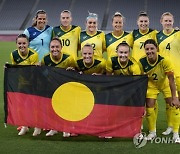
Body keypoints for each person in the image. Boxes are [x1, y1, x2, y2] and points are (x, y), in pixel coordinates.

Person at [138, 39, 180, 143]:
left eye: (152, 48)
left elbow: (171, 79)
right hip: (152, 85)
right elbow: (140, 78)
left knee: (174, 105)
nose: (149, 51)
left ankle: (175, 133)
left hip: (165, 83)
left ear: (157, 48)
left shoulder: (164, 60)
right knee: (150, 106)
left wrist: (175, 97)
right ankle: (152, 132)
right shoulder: (142, 62)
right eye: (147, 49)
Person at [41, 38, 75, 137]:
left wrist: (72, 70)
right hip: (52, 88)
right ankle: (54, 128)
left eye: (57, 47)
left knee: (66, 108)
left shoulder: (69, 58)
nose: (55, 49)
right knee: (52, 108)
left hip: (65, 88)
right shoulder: (45, 59)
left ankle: (66, 128)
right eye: (52, 47)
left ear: (61, 47)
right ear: (49, 48)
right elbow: (41, 71)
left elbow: (75, 72)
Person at [10, 34, 40, 136]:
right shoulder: (13, 54)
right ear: (16, 44)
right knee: (21, 107)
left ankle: (37, 126)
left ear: (28, 44)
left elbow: (32, 72)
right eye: (19, 43)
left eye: (24, 43)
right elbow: (15, 69)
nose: (22, 45)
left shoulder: (33, 55)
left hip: (33, 84)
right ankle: (25, 126)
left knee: (35, 106)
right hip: (21, 84)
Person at [156, 12, 180, 136]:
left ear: (173, 21)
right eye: (166, 20)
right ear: (161, 21)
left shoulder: (178, 34)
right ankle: (171, 126)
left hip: (179, 72)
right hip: (166, 74)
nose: (168, 23)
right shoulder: (157, 36)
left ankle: (175, 126)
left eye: (170, 21)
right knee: (171, 101)